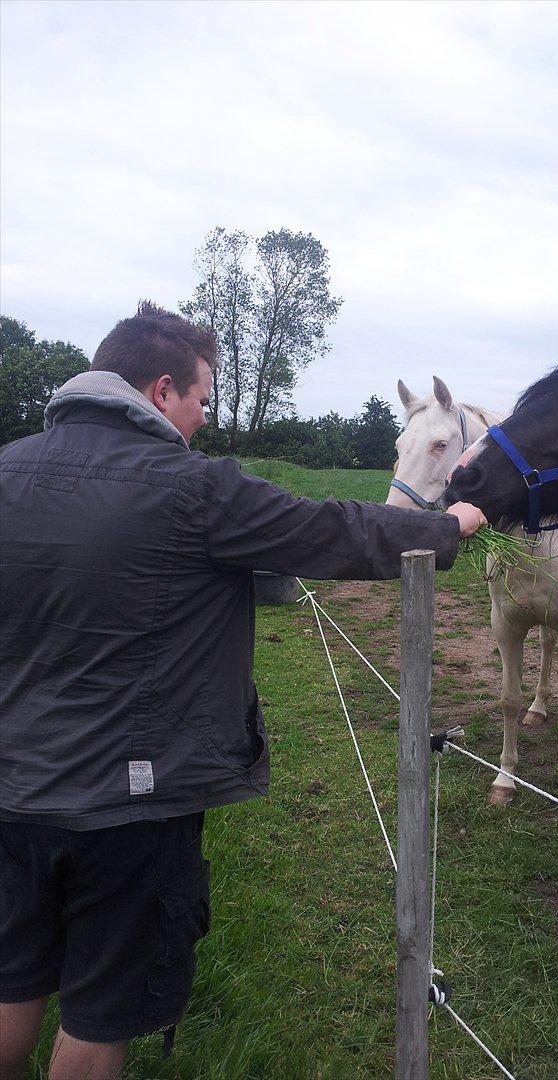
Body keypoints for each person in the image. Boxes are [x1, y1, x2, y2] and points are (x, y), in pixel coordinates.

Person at [0, 301, 486, 1080]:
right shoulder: (195, 488)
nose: (201, 416)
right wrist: (453, 521)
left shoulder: (8, 469)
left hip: (13, 789)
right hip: (129, 804)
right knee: (101, 1006)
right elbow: (339, 532)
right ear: (161, 390)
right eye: (201, 397)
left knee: (12, 974)